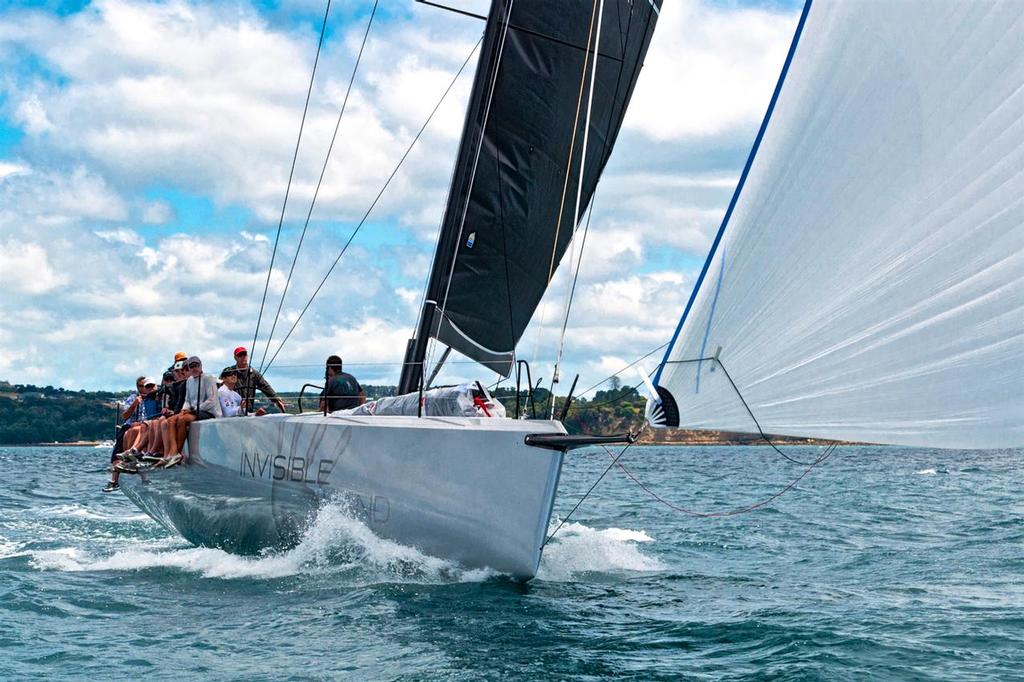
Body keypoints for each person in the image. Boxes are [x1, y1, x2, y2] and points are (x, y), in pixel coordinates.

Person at [161, 356, 221, 468]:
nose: (195, 368)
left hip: (209, 412)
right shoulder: (189, 381)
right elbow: (187, 400)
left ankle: (176, 453)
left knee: (182, 419)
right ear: (189, 368)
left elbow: (211, 401)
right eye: (192, 366)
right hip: (193, 411)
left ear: (201, 365)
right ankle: (172, 453)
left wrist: (192, 409)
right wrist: (184, 409)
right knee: (171, 420)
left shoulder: (208, 378)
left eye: (197, 365)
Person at [103, 377, 160, 492]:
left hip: (146, 425)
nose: (142, 388)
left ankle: (143, 475)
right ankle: (114, 480)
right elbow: (125, 416)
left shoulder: (156, 397)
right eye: (140, 386)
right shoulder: (133, 398)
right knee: (118, 449)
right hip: (130, 424)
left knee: (137, 431)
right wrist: (134, 404)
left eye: (146, 386)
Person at [224, 346, 286, 413]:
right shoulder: (230, 372)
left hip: (248, 411)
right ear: (235, 358)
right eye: (239, 355)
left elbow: (265, 386)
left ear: (247, 356)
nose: (242, 357)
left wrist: (276, 399)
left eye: (244, 354)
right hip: (232, 411)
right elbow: (220, 386)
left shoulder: (254, 373)